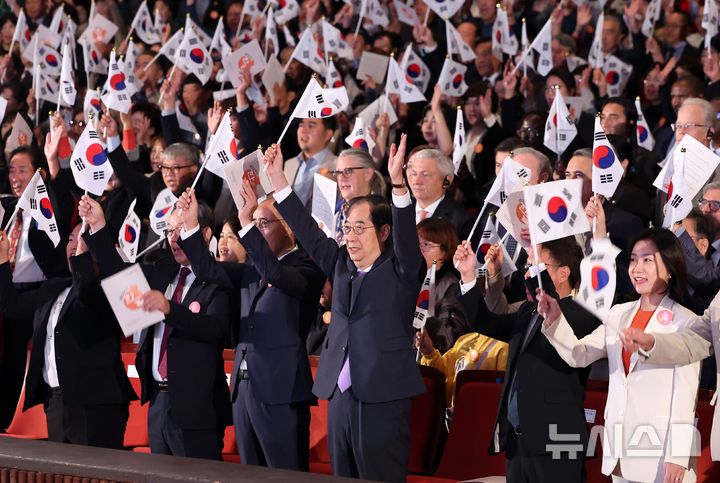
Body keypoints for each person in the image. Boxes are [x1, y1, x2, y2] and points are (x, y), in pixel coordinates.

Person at [263, 134, 426, 482]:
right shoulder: (340, 264)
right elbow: (307, 232)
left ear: (384, 232)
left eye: (359, 229)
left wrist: (399, 184)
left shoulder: (402, 270)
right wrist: (278, 181)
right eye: (347, 228)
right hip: (339, 394)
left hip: (382, 396)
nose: (350, 236)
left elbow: (407, 240)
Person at [174, 185, 325, 470]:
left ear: (290, 229)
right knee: (248, 474)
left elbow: (276, 274)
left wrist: (245, 224)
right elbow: (206, 269)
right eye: (254, 224)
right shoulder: (253, 270)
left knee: (284, 475)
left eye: (263, 223)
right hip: (243, 391)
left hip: (281, 390)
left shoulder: (307, 267)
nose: (256, 230)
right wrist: (192, 223)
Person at [539, 228, 701, 483]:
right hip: (620, 454)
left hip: (662, 457)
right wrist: (555, 319)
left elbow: (686, 396)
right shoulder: (618, 314)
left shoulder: (686, 322)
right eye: (634, 259)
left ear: (670, 268)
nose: (637, 267)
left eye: (648, 260)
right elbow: (578, 355)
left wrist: (678, 456)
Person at [78, 197, 232, 460]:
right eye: (169, 231)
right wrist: (99, 226)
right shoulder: (162, 270)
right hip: (158, 403)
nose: (173, 238)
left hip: (196, 407)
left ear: (204, 233)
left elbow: (214, 328)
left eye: (181, 230)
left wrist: (170, 310)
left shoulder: (219, 277)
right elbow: (119, 275)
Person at [453, 236, 601, 482]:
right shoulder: (526, 312)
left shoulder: (581, 313)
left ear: (564, 273)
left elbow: (554, 315)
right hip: (519, 437)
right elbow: (484, 322)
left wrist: (536, 258)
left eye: (537, 266)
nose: (528, 273)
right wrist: (469, 276)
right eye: (528, 267)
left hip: (560, 438)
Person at [0, 223, 136, 448]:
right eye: (71, 239)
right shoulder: (54, 287)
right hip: (56, 404)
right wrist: (3, 259)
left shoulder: (109, 290)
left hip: (96, 407)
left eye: (84, 238)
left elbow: (87, 293)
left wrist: (87, 252)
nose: (76, 244)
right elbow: (9, 305)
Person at [416, 218, 470, 353]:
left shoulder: (453, 286)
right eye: (417, 243)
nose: (419, 249)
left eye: (426, 245)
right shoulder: (411, 279)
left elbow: (449, 337)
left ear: (444, 252)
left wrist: (419, 317)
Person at [406, 148, 473, 240]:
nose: (416, 181)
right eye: (414, 174)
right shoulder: (400, 209)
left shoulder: (461, 220)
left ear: (446, 180)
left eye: (425, 175)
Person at [330, 148, 386, 244]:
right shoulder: (333, 210)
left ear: (368, 174)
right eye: (338, 173)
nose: (342, 178)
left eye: (348, 171)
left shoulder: (381, 212)